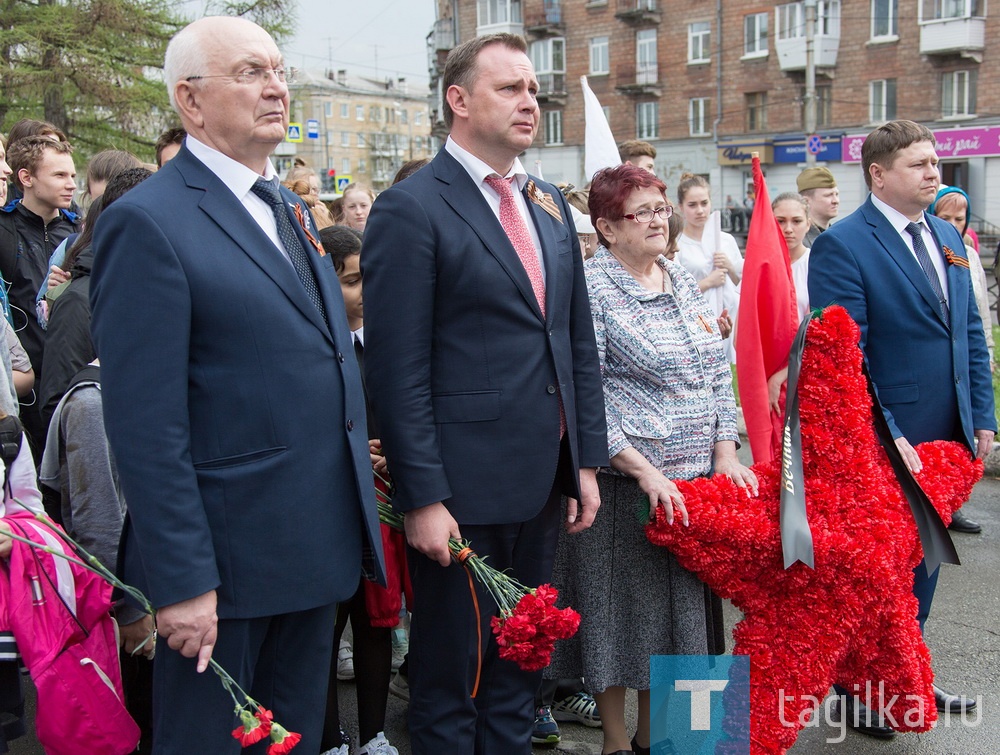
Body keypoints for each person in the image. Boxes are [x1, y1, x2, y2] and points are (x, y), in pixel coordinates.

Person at [89, 16, 384, 753]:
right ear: (191, 100)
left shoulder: (284, 207)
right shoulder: (147, 223)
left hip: (312, 552)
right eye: (251, 72)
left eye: (279, 69)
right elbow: (146, 427)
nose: (277, 86)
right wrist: (183, 581)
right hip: (223, 572)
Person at [361, 32, 607, 755]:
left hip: (541, 485)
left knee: (519, 672)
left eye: (533, 89)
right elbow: (397, 370)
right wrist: (422, 496)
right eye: (510, 88)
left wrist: (582, 461)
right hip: (459, 494)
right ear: (459, 100)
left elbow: (575, 344)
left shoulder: (549, 203)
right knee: (450, 680)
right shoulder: (412, 209)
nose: (530, 101)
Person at [549, 164, 757, 755]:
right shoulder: (590, 291)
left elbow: (718, 367)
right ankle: (617, 742)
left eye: (660, 209)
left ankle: (671, 740)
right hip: (624, 493)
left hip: (695, 493)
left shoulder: (681, 278)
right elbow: (587, 395)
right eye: (641, 213)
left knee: (688, 630)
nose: (657, 221)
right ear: (607, 228)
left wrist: (725, 449)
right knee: (619, 627)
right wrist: (644, 471)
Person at [809, 119, 995, 738]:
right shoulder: (844, 244)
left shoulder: (946, 234)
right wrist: (889, 433)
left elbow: (970, 331)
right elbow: (846, 355)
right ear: (878, 175)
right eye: (918, 165)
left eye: (935, 162)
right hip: (886, 437)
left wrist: (984, 419)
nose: (934, 173)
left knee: (927, 560)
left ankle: (908, 670)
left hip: (949, 432)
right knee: (880, 566)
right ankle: (863, 687)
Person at [319, 225, 406, 755]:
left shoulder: (387, 342)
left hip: (383, 503)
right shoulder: (318, 346)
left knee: (376, 622)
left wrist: (394, 452)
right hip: (332, 503)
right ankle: (329, 733)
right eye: (353, 281)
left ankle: (374, 732)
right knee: (325, 632)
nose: (365, 291)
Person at [0, 135, 79, 454]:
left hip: (68, 378)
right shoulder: (4, 228)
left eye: (73, 175)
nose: (71, 184)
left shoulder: (80, 236)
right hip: (20, 381)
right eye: (60, 175)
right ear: (26, 178)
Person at [675, 173, 742, 360]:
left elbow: (742, 286)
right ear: (681, 207)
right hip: (698, 322)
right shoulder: (678, 244)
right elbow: (675, 293)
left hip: (731, 318)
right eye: (692, 205)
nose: (700, 210)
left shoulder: (726, 240)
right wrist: (706, 283)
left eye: (704, 203)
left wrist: (729, 266)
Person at [764, 192, 812, 415]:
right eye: (780, 221)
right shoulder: (759, 265)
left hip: (805, 375)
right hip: (766, 370)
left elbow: (816, 333)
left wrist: (782, 376)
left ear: (808, 223)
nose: (788, 228)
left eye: (796, 221)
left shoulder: (816, 264)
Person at [797, 166, 840, 247]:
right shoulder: (798, 241)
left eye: (836, 194)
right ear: (806, 201)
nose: (835, 201)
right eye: (828, 195)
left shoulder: (838, 235)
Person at [284, 164, 335, 229]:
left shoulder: (323, 212)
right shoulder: (292, 216)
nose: (315, 194)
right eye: (312, 189)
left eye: (317, 190)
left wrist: (326, 218)